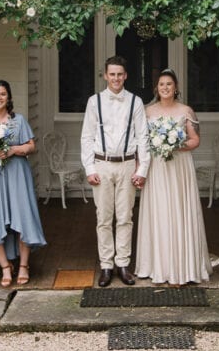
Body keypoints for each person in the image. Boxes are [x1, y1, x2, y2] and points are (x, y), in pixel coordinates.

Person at [135, 69, 212, 285]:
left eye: (169, 84)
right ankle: (157, 266)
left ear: (175, 88)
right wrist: (140, 168)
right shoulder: (147, 111)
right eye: (162, 84)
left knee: (179, 210)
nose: (166, 88)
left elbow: (195, 140)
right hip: (157, 168)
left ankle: (183, 267)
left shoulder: (186, 110)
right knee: (158, 211)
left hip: (179, 167)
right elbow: (141, 143)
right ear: (156, 88)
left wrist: (175, 144)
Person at [81, 56, 150, 287]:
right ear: (105, 75)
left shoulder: (136, 102)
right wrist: (89, 167)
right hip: (102, 164)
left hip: (128, 164)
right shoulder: (94, 102)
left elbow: (143, 137)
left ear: (126, 76)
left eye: (120, 74)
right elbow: (86, 137)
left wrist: (142, 169)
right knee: (103, 218)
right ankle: (106, 266)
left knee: (125, 217)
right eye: (112, 74)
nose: (116, 78)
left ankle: (123, 264)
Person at [0, 80, 46, 287]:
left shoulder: (18, 120)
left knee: (23, 216)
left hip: (17, 173)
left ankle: (23, 265)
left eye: (3, 94)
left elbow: (31, 146)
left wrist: (13, 150)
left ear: (8, 97)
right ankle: (5, 266)